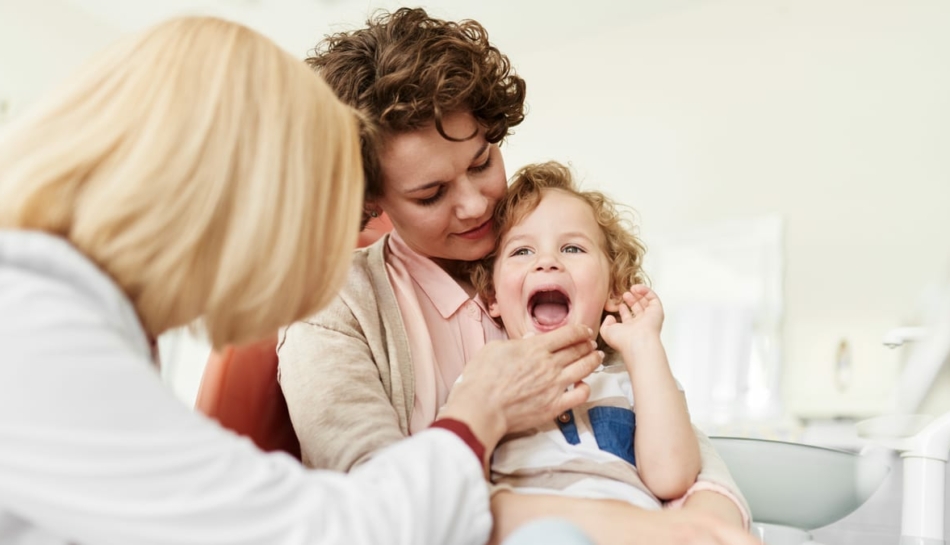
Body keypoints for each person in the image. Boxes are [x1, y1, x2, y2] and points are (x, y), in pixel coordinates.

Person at [0, 16, 603, 545]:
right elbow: (328, 526)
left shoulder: (73, 318)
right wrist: (479, 412)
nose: (297, 249)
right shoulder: (31, 329)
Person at [278, 8, 760, 545]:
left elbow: (635, 419)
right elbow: (378, 501)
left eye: (482, 162)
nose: (474, 204)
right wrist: (639, 527)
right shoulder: (333, 308)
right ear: (371, 198)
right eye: (431, 194)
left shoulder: (548, 263)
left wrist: (714, 511)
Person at [469, 161, 750, 534]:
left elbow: (671, 477)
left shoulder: (636, 382)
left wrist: (644, 346)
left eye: (572, 248)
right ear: (491, 296)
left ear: (614, 289)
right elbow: (452, 484)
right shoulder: (481, 380)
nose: (547, 262)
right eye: (522, 251)